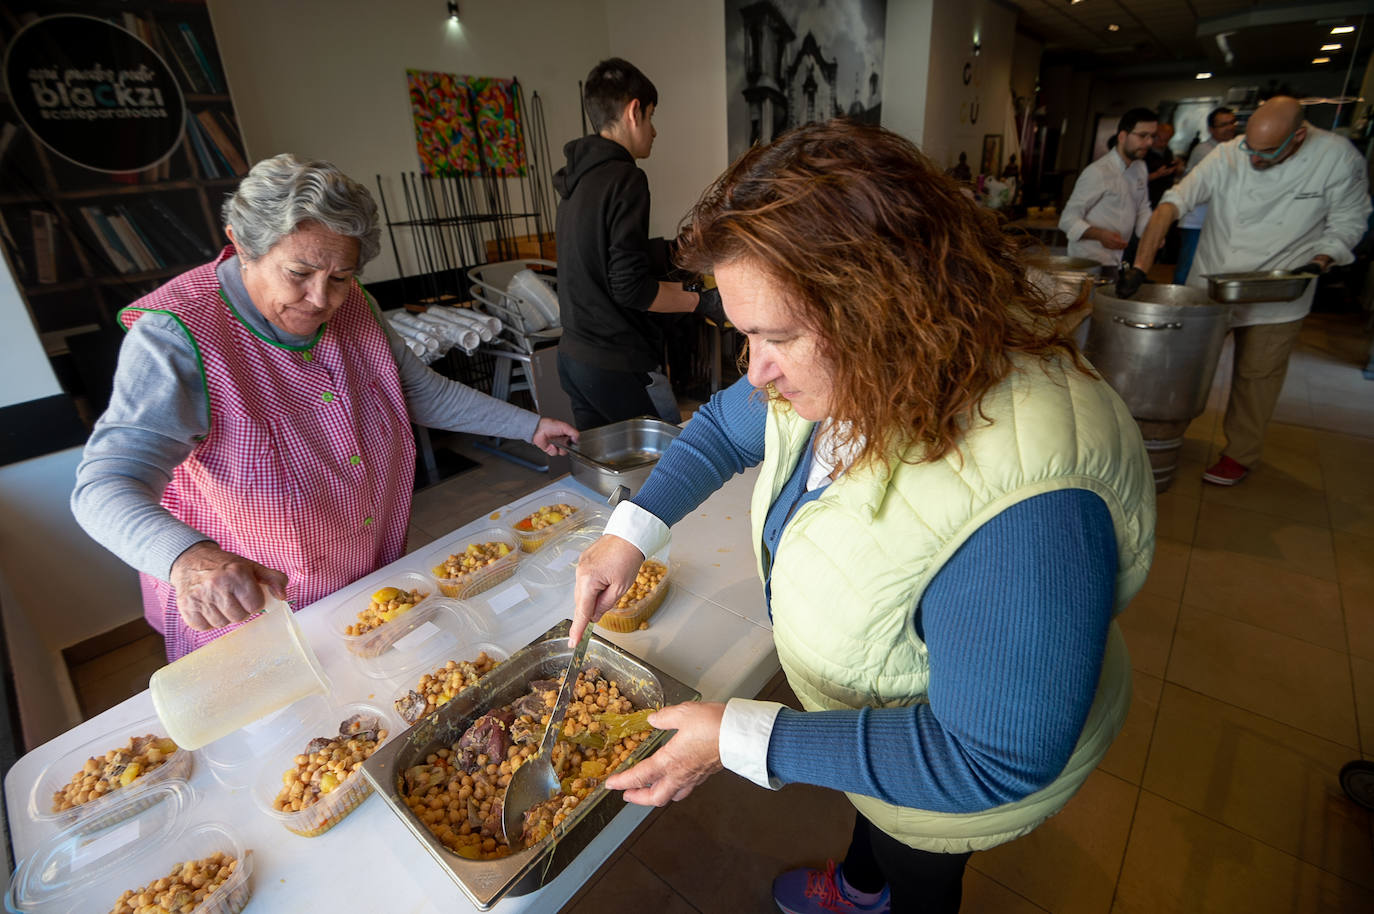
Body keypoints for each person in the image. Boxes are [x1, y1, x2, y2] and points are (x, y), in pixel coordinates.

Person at [570, 121, 1156, 914]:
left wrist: (739, 739)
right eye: (744, 336)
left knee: (924, 858)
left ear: (886, 306)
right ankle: (860, 883)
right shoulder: (853, 364)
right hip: (881, 703)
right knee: (876, 813)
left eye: (776, 338)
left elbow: (987, 759)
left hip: (960, 775)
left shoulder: (1031, 506)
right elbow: (716, 429)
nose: (757, 372)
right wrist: (626, 534)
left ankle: (890, 891)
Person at [71, 154, 578, 660]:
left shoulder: (355, 302)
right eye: (299, 272)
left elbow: (418, 391)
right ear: (243, 247)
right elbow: (105, 485)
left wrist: (526, 423)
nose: (319, 298)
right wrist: (192, 560)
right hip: (257, 603)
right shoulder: (175, 336)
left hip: (362, 570)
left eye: (340, 277)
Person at [1127, 96, 1371, 486]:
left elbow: (1348, 220)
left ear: (1299, 137)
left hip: (1280, 291)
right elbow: (1174, 202)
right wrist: (1141, 266)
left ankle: (1239, 454)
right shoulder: (1227, 155)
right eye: (1250, 149)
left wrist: (1320, 261)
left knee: (1257, 377)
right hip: (1213, 281)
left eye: (1268, 153)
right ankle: (1158, 438)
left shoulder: (1337, 158)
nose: (1255, 160)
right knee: (1180, 370)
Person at [553, 57, 718, 430]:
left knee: (608, 474)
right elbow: (629, 288)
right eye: (652, 116)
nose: (655, 131)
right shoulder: (626, 178)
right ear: (634, 111)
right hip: (618, 363)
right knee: (670, 470)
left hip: (575, 359)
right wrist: (701, 301)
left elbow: (596, 258)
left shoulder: (575, 182)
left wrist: (668, 252)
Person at [1059, 108, 1157, 266]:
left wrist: (1153, 233)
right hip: (1088, 261)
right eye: (1142, 136)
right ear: (1122, 136)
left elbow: (1143, 209)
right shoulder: (1098, 172)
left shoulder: (1140, 168)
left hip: (1119, 259)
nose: (1149, 142)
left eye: (1152, 136)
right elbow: (1067, 220)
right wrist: (1099, 235)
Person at [1174, 107, 1238, 283]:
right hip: (1196, 220)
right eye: (1223, 124)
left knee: (1206, 266)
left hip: (1215, 219)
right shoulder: (1205, 151)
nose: (1229, 127)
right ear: (1211, 129)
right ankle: (1175, 303)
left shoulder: (1233, 150)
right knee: (1188, 265)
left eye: (1232, 123)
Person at [1144, 122, 1181, 207]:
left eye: (1167, 140)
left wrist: (1176, 168)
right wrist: (1157, 174)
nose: (1163, 143)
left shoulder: (1167, 151)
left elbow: (1174, 173)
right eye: (1159, 139)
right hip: (1149, 199)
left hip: (1166, 196)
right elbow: (1135, 181)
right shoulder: (1143, 153)